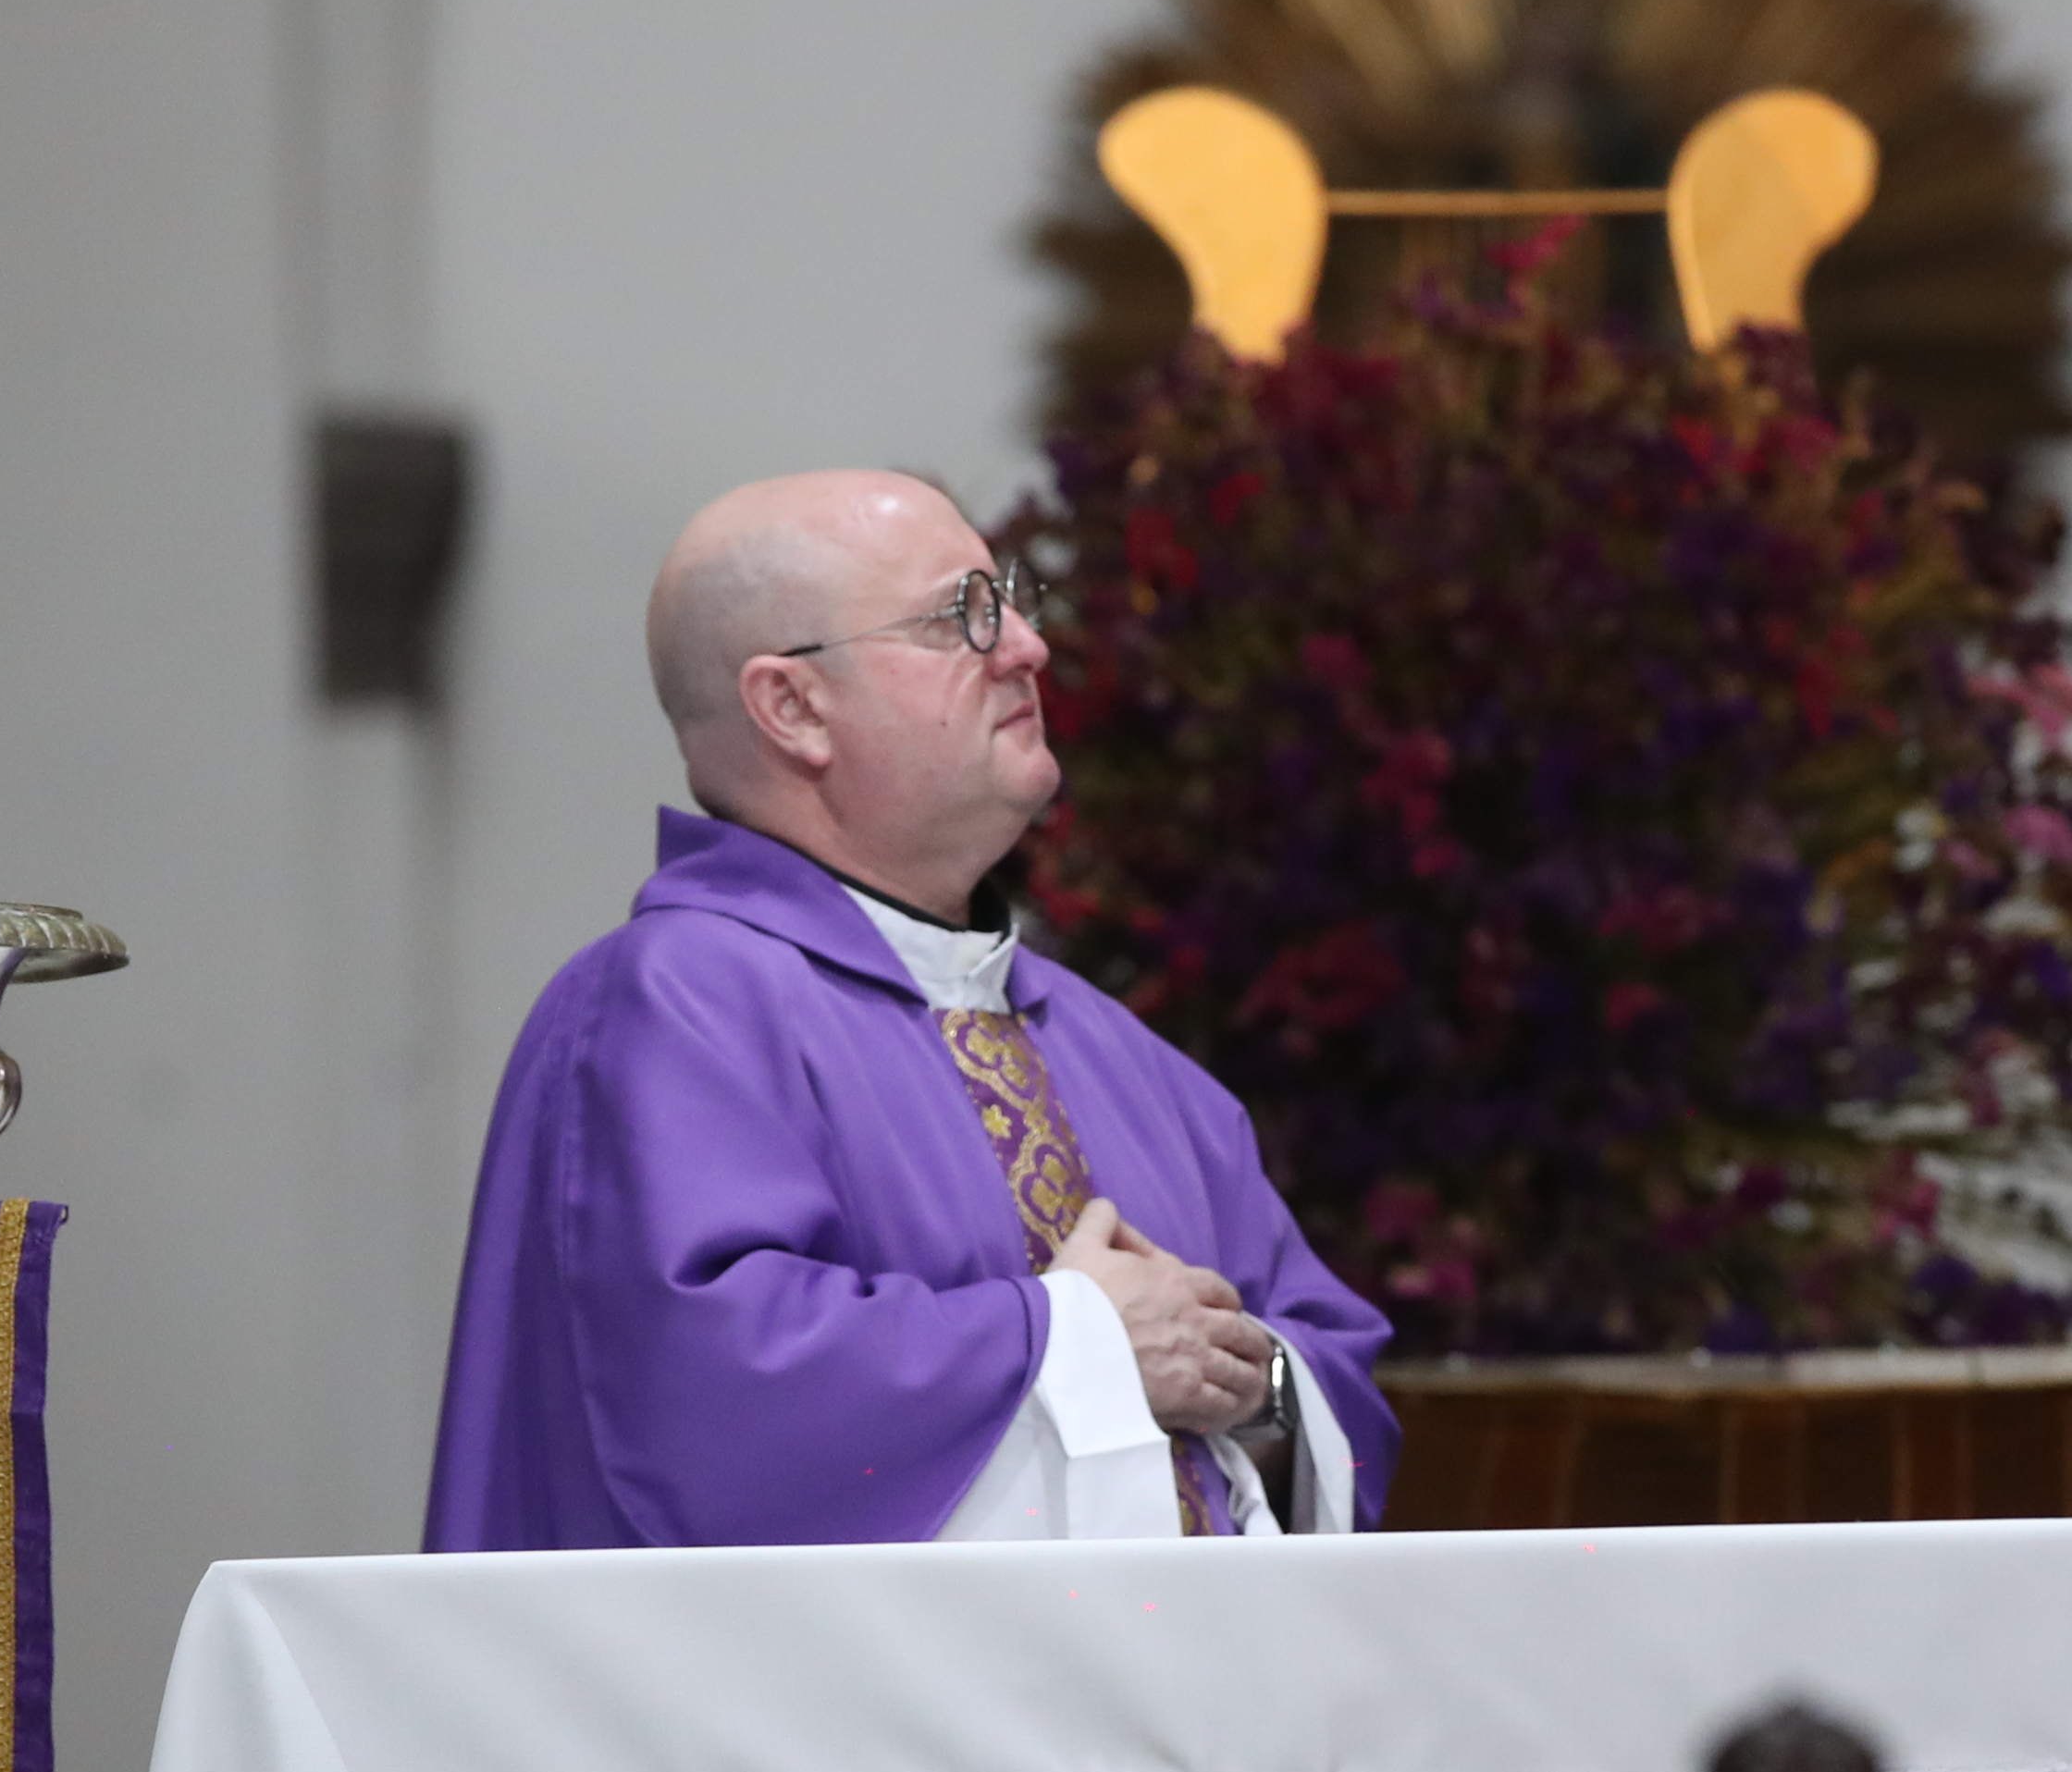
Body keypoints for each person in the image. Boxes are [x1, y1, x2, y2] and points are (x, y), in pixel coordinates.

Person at [426, 470, 1395, 1549]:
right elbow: (708, 1403)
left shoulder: (1121, 1053)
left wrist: (1249, 1378)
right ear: (792, 707)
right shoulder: (671, 1006)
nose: (1027, 645)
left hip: (1175, 1703)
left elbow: (1328, 1368)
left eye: (1016, 599)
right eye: (961, 615)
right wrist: (1081, 1339)